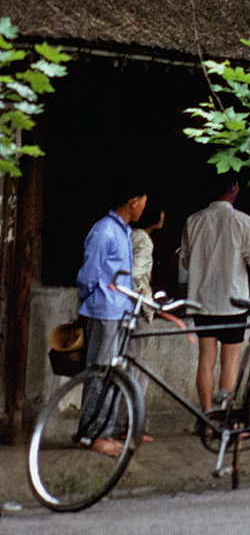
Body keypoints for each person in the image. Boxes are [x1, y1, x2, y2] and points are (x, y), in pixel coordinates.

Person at [179, 179, 250, 414]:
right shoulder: (244, 221)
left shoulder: (193, 221)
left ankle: (207, 415)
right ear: (233, 189)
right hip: (232, 304)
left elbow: (186, 262)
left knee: (206, 359)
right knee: (230, 362)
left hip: (202, 302)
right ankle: (226, 415)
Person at [76, 181, 148, 455]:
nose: (144, 207)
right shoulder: (105, 231)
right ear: (133, 201)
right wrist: (93, 302)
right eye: (143, 201)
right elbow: (89, 276)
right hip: (105, 313)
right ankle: (93, 434)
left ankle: (101, 432)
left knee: (112, 375)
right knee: (100, 374)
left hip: (119, 313)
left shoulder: (122, 232)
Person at [130, 202, 165, 316]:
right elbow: (135, 274)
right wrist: (146, 303)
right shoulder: (144, 241)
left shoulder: (132, 234)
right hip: (137, 303)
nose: (163, 215)